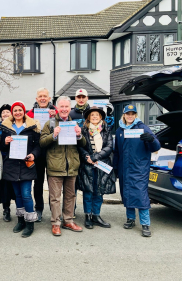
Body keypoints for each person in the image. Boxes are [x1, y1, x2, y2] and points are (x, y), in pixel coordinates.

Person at [40, 96, 86, 236]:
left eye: (67, 107)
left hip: (71, 165)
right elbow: (42, 142)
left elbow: (83, 144)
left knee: (71, 196)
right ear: (57, 108)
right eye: (62, 107)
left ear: (70, 108)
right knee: (55, 197)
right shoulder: (50, 123)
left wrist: (79, 136)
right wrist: (53, 135)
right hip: (55, 166)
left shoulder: (74, 124)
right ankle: (55, 223)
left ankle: (68, 220)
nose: (64, 109)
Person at [113, 105, 161, 237]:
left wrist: (151, 140)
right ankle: (130, 219)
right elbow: (116, 151)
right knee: (127, 193)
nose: (130, 116)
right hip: (124, 168)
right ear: (124, 115)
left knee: (140, 195)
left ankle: (145, 224)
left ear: (135, 115)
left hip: (139, 168)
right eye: (127, 114)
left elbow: (156, 146)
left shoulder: (143, 128)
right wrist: (115, 167)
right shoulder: (119, 131)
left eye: (132, 113)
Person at [0, 101, 41, 238]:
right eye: (15, 110)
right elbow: (3, 148)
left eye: (20, 110)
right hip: (11, 165)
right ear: (12, 113)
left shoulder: (31, 126)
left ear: (24, 111)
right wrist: (5, 142)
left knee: (26, 194)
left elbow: (38, 146)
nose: (17, 112)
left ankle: (30, 223)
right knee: (17, 195)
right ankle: (21, 220)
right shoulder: (6, 127)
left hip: (26, 165)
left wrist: (33, 155)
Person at [77, 106, 116, 229]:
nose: (95, 117)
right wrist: (87, 157)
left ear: (101, 117)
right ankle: (88, 216)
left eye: (97, 115)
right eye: (92, 115)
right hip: (87, 164)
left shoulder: (106, 130)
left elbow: (109, 147)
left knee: (99, 191)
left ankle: (96, 215)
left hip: (101, 164)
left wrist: (96, 157)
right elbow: (79, 146)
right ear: (89, 117)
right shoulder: (83, 130)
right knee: (88, 191)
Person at [26, 88, 57, 221]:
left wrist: (54, 117)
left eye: (45, 96)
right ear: (36, 99)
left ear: (49, 99)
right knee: (37, 183)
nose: (43, 98)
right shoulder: (29, 114)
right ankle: (39, 209)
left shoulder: (56, 112)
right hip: (37, 152)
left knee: (53, 184)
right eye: (40, 96)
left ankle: (54, 211)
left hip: (53, 152)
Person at [0, 104, 16, 222]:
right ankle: (6, 209)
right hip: (1, 159)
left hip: (14, 159)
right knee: (4, 186)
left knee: (14, 186)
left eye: (7, 112)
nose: (5, 114)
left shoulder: (15, 125)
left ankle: (20, 209)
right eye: (3, 112)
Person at [69, 88, 91, 218]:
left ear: (87, 98)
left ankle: (89, 212)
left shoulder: (93, 113)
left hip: (88, 154)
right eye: (79, 97)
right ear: (75, 98)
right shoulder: (71, 114)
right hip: (74, 153)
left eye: (83, 97)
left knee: (88, 184)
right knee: (73, 185)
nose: (81, 99)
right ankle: (72, 210)